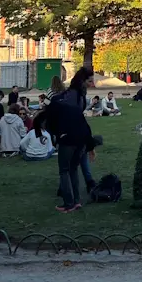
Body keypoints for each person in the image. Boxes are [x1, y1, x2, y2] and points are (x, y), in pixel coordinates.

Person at [41, 72, 98, 212]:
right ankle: (76, 201)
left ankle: (68, 203)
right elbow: (83, 123)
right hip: (80, 138)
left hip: (69, 138)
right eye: (89, 81)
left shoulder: (68, 97)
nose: (91, 84)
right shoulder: (78, 98)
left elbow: (51, 116)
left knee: (64, 170)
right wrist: (90, 145)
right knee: (72, 169)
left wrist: (57, 134)